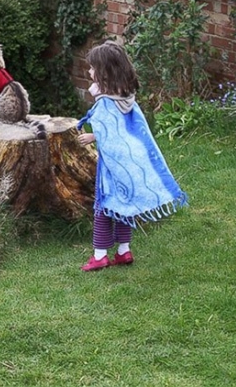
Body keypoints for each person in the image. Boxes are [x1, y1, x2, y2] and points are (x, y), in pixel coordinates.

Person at [76, 40, 188, 271]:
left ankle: (100, 256)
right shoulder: (126, 97)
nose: (89, 72)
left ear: (104, 72)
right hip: (129, 164)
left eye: (93, 68)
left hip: (112, 170)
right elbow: (123, 129)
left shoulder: (106, 103)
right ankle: (123, 251)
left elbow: (108, 129)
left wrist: (92, 137)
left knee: (103, 208)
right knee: (125, 208)